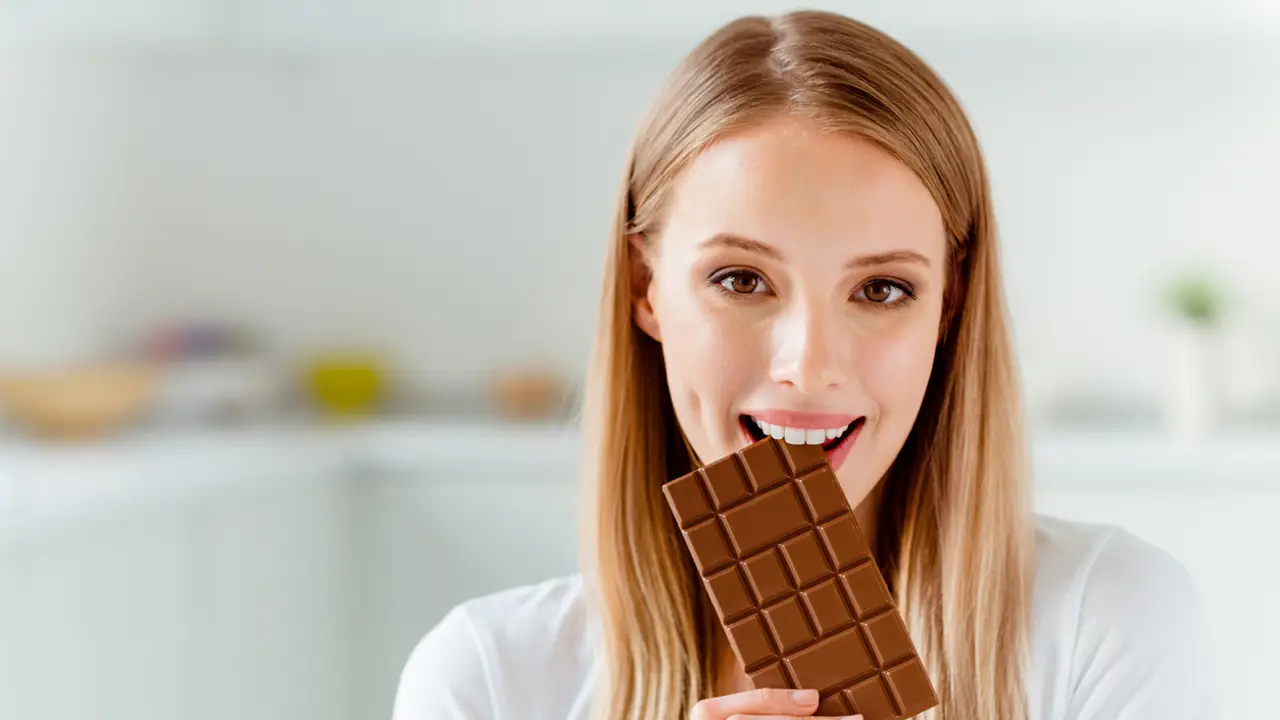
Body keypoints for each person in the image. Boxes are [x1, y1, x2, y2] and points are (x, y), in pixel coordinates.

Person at [392, 10, 1217, 720]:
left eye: (883, 288)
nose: (809, 365)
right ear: (646, 288)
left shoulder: (1109, 619)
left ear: (950, 304)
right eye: (741, 280)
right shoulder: (486, 679)